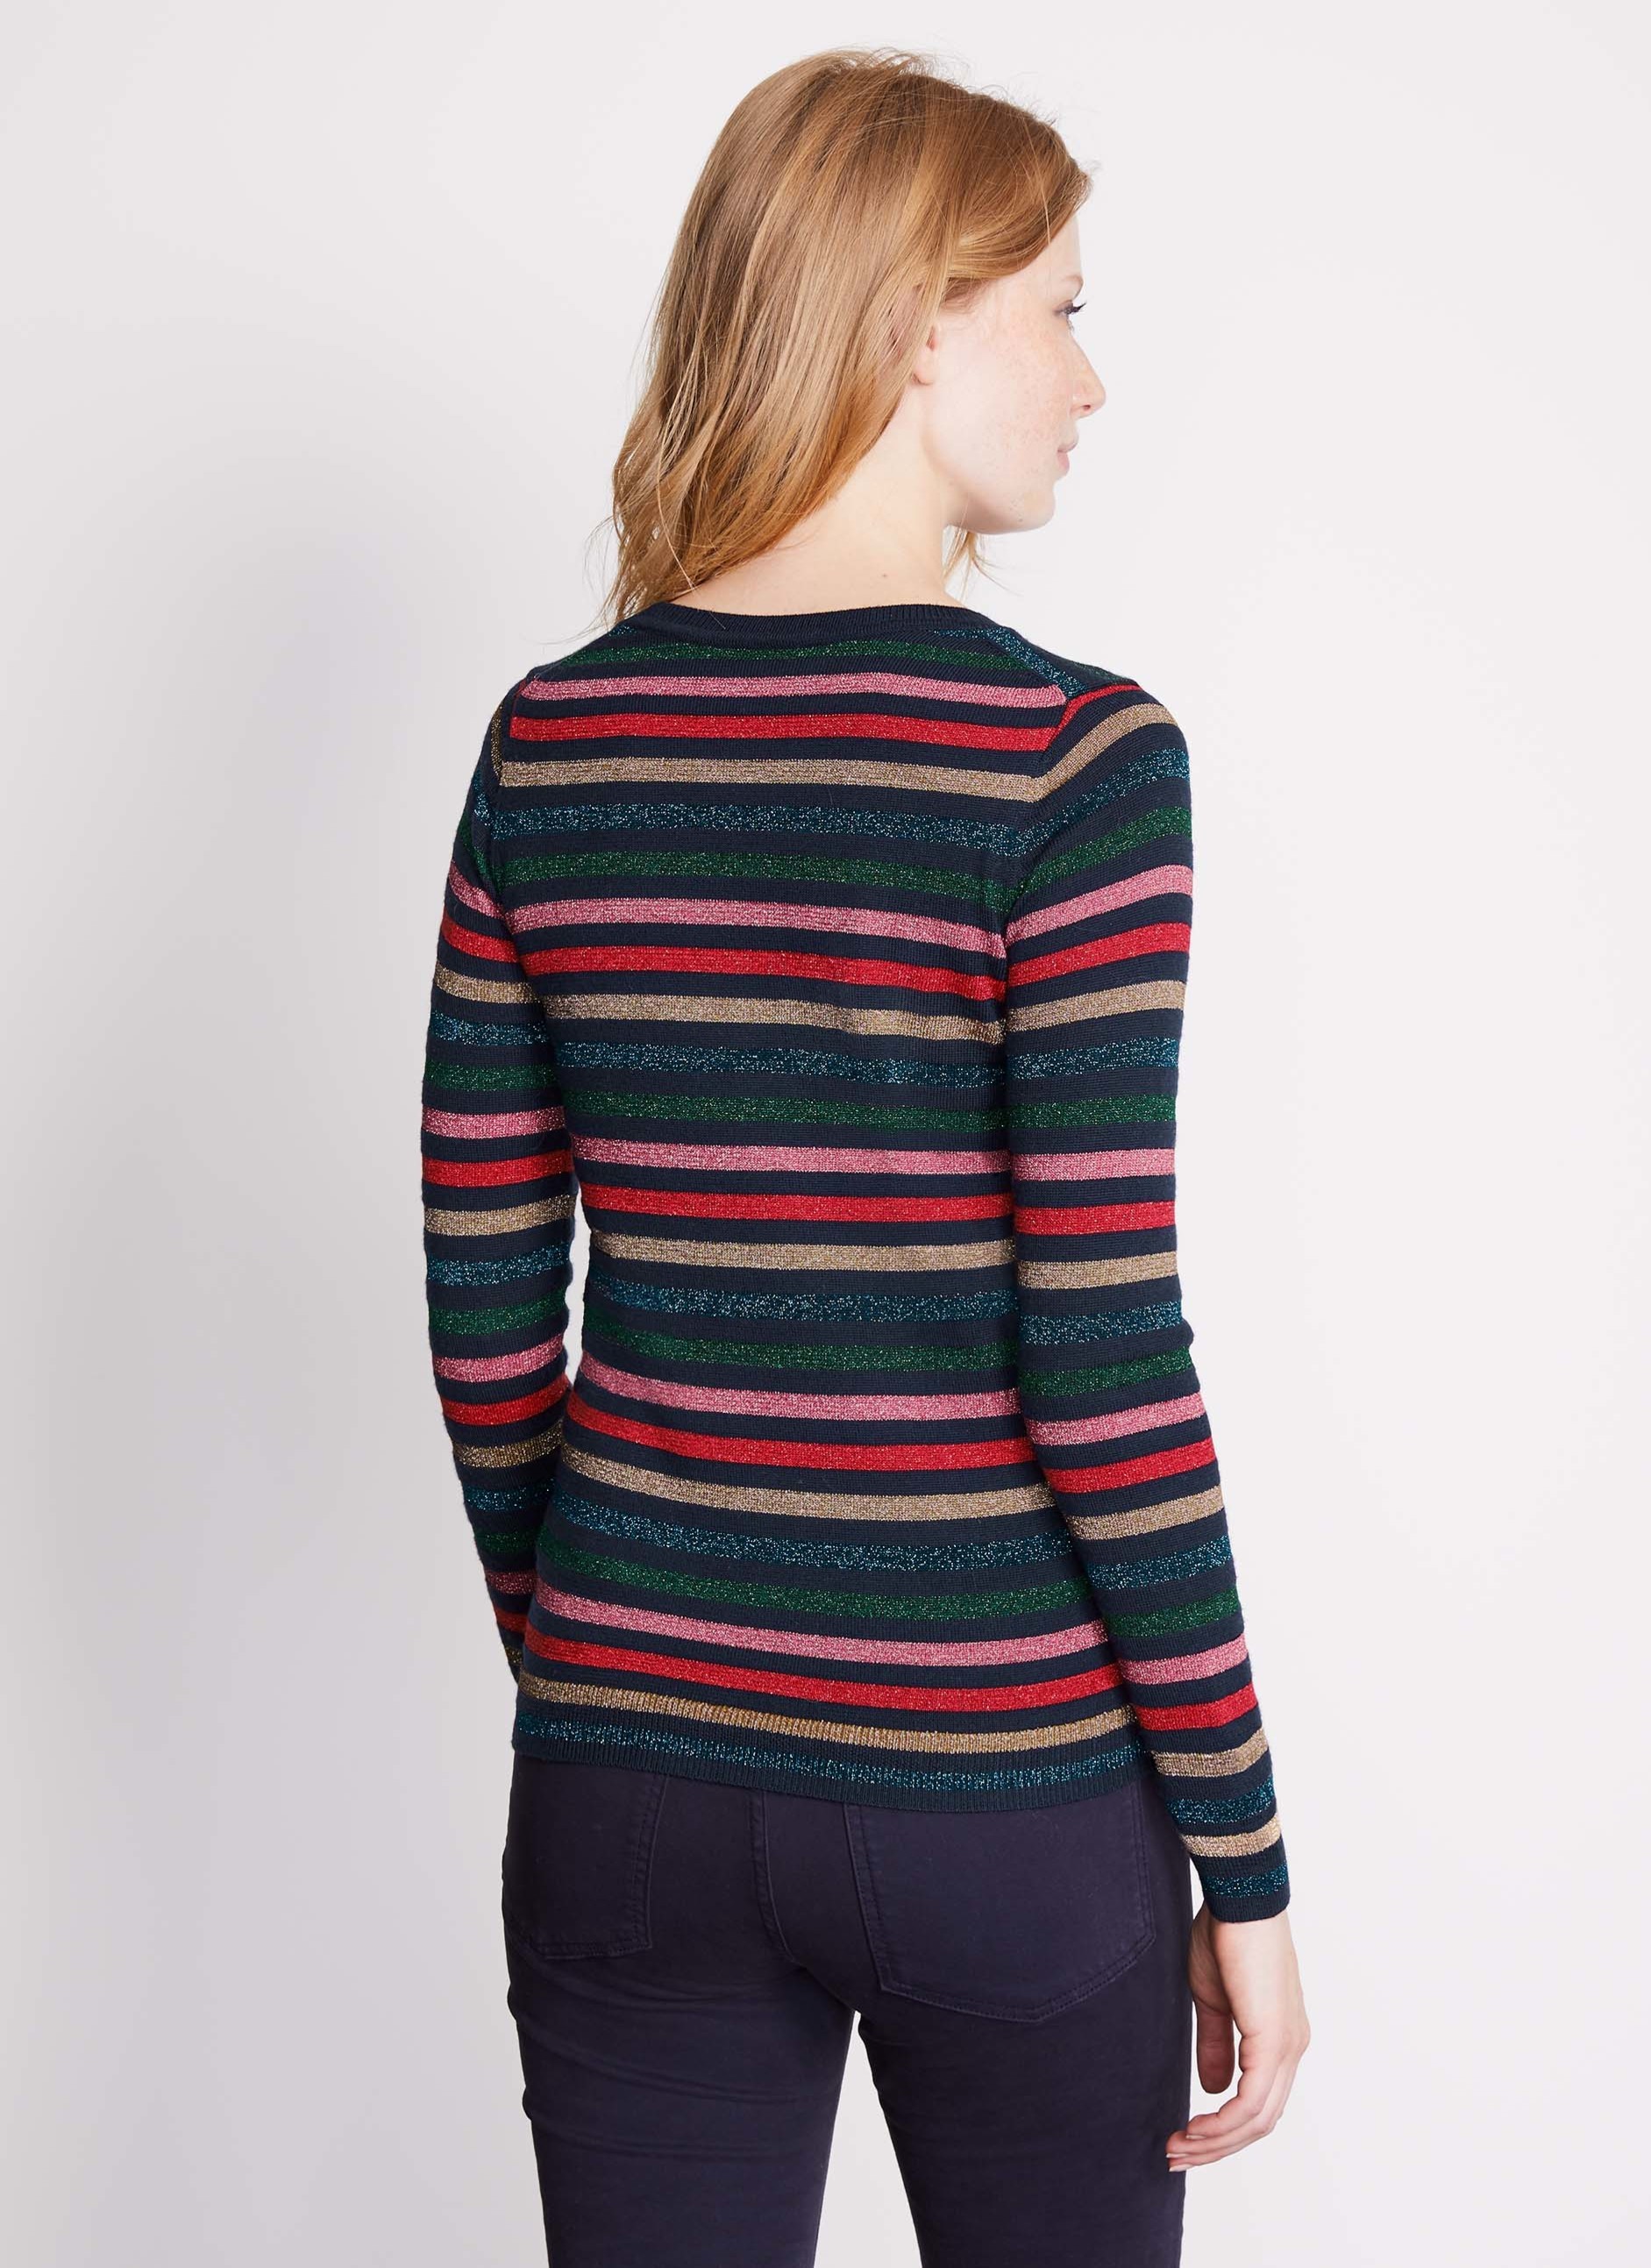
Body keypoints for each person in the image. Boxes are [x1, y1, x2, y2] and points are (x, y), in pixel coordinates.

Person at [420, 45, 1310, 2267]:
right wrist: (1243, 1854)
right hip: (999, 1792)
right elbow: (1102, 1356)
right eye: (1061, 309)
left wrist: (611, 1664)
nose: (1090, 380)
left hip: (625, 1781)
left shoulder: (553, 743)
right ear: (918, 321)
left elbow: (485, 1316)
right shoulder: (1073, 762)